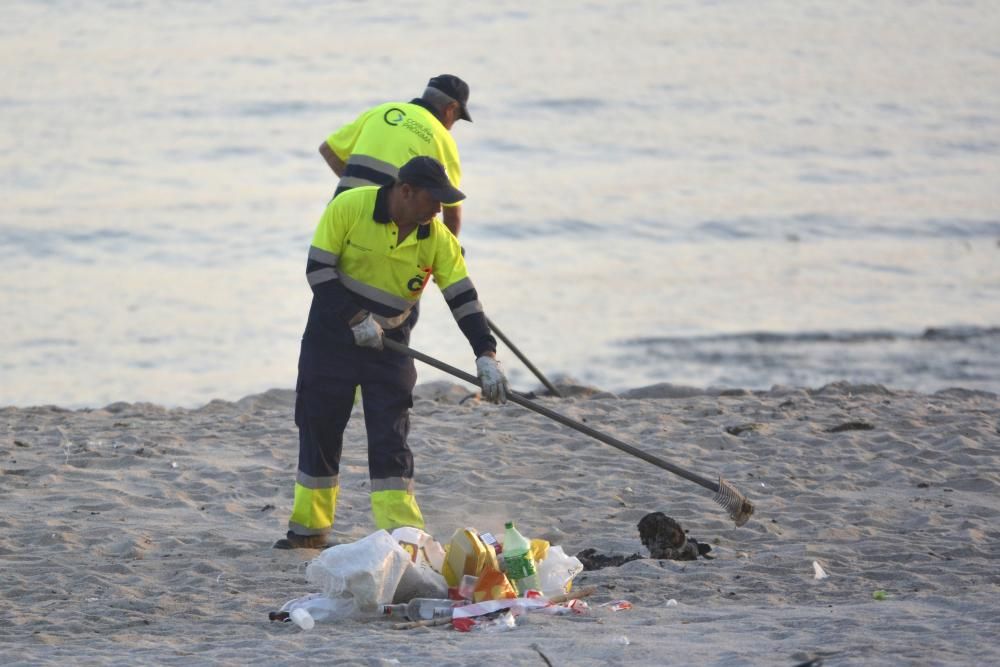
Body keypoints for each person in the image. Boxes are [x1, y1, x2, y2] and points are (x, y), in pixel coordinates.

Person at [274, 156, 509, 549]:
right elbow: (318, 270)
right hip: (329, 340)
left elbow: (463, 299)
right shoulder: (349, 207)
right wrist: (354, 318)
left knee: (390, 437)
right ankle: (309, 531)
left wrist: (486, 354)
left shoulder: (435, 238)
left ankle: (402, 535)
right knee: (320, 427)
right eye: (433, 201)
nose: (439, 211)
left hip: (390, 345)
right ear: (405, 191)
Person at [319, 74, 471, 237]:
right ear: (450, 109)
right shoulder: (442, 138)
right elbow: (451, 212)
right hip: (381, 230)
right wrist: (449, 255)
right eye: (456, 119)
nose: (451, 128)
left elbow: (328, 149)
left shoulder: (382, 111)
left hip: (338, 214)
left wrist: (360, 188)